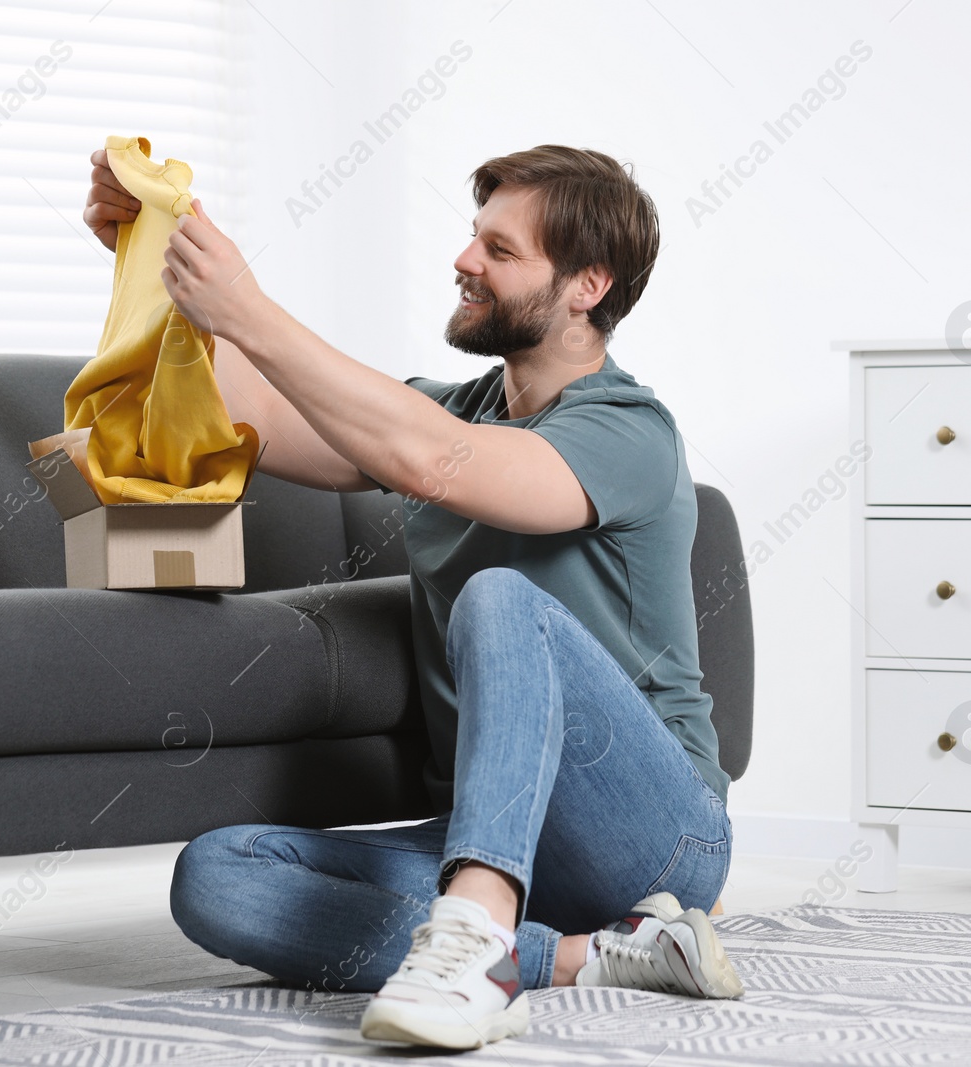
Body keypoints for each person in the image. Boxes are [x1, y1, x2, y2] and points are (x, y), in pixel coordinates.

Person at [82, 143, 744, 1051]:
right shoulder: (455, 407)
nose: (466, 261)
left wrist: (253, 310)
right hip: (496, 836)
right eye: (473, 238)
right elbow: (258, 412)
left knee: (500, 599)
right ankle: (582, 955)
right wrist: (158, 254)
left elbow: (432, 460)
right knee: (219, 874)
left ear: (589, 285)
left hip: (657, 840)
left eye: (500, 251)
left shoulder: (629, 430)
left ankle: (476, 937)